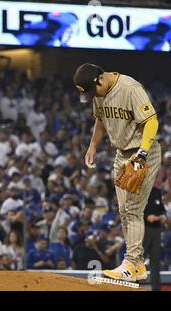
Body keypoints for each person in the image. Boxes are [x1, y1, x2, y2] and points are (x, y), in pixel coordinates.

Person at [74, 63, 161, 282]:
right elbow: (100, 119)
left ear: (100, 80)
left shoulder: (130, 88)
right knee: (124, 210)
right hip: (121, 154)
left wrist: (141, 155)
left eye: (93, 91)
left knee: (132, 209)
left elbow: (151, 121)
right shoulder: (98, 92)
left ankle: (132, 263)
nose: (93, 96)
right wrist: (93, 145)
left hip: (143, 152)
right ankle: (137, 264)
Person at [143, 183, 167, 291]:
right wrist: (146, 216)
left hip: (156, 229)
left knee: (155, 261)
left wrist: (163, 215)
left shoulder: (156, 191)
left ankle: (156, 288)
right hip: (143, 229)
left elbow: (161, 207)